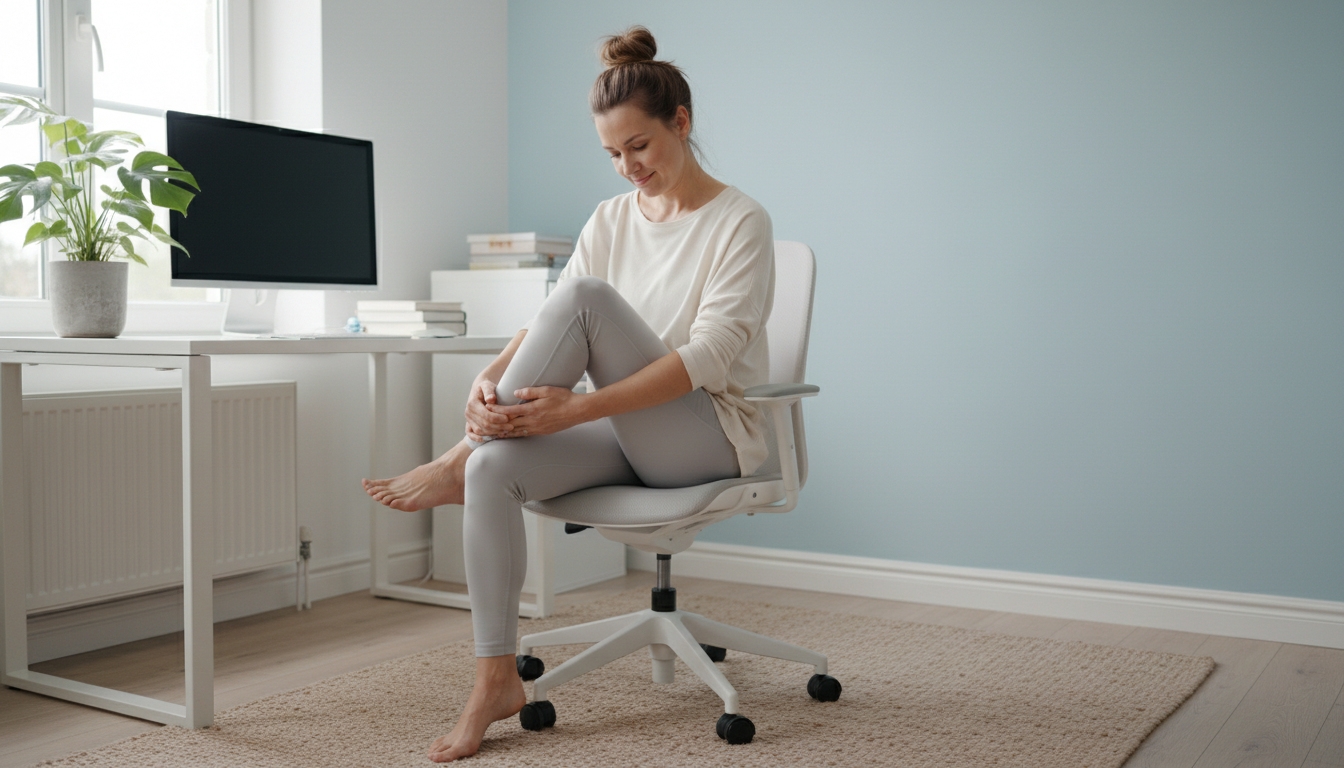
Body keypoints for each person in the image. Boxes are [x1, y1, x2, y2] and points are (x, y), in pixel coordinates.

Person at [362, 25, 777, 763]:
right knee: (497, 469)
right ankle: (495, 678)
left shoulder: (740, 221)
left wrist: (576, 408)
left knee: (585, 295)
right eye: (613, 155)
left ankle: (458, 457)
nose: (628, 169)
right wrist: (488, 375)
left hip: (702, 439)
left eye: (640, 146)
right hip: (627, 433)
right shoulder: (612, 219)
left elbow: (710, 355)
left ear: (681, 122)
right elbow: (544, 325)